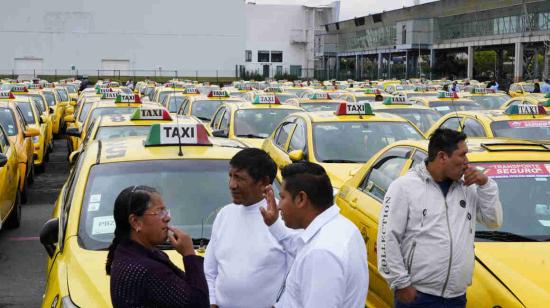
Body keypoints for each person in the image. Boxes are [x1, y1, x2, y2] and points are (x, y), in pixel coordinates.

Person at [377, 128, 502, 308]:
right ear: (442, 157)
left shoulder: (468, 187)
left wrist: (486, 185)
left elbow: (493, 221)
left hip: (456, 297)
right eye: (462, 155)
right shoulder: (404, 187)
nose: (467, 163)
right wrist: (401, 283)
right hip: (418, 296)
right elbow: (388, 239)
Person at [261, 162, 369, 308]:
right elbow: (300, 247)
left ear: (301, 199)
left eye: (283, 197)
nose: (279, 206)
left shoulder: (322, 252)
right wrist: (274, 224)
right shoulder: (341, 228)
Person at [204, 148, 293, 308]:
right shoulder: (225, 214)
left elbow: (295, 277)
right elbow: (210, 269)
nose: (232, 185)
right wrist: (212, 301)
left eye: (239, 178)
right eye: (230, 176)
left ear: (264, 182)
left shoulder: (285, 219)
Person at [107, 185, 209, 308]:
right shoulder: (147, 270)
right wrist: (189, 255)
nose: (167, 217)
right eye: (159, 212)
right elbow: (199, 303)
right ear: (135, 222)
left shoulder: (131, 254)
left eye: (165, 211)